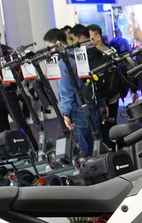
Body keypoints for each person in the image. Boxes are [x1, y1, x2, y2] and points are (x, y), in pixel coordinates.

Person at [47, 27, 97, 156]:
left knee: (82, 148)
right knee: (96, 143)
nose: (49, 52)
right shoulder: (80, 54)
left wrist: (65, 113)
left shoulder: (63, 63)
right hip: (92, 102)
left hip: (77, 108)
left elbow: (66, 91)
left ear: (57, 43)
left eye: (49, 47)